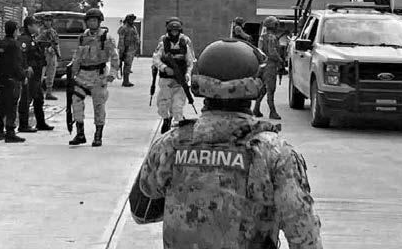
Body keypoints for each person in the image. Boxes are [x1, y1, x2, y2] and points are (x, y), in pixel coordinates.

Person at [129, 38, 323, 249]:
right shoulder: (275, 153)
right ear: (255, 87)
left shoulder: (170, 144)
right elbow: (304, 235)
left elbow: (141, 210)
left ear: (200, 84)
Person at [69, 8, 120, 147]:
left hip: (98, 75)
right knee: (76, 102)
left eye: (94, 20)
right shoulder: (82, 38)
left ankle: (98, 136)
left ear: (99, 22)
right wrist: (73, 72)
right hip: (82, 75)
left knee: (98, 106)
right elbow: (77, 56)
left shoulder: (106, 38)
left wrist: (112, 73)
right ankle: (80, 134)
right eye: (90, 20)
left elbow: (115, 57)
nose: (92, 23)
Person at [152, 17, 196, 134]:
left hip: (180, 81)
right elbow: (155, 59)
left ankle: (177, 127)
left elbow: (190, 62)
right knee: (163, 104)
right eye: (172, 31)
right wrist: (164, 68)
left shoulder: (185, 44)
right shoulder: (163, 43)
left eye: (176, 31)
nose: (174, 33)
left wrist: (187, 75)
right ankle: (166, 119)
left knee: (177, 106)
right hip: (165, 80)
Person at [17, 17, 55, 133]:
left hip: (37, 74)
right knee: (26, 98)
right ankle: (23, 125)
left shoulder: (32, 38)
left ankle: (41, 123)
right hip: (30, 74)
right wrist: (26, 67)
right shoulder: (24, 39)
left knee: (39, 98)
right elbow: (21, 55)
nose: (38, 27)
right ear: (29, 26)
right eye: (35, 25)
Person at [0, 20, 27, 143]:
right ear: (14, 31)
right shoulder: (14, 45)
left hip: (2, 79)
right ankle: (10, 133)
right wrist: (23, 76)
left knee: (1, 106)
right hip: (12, 80)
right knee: (11, 107)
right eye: (17, 30)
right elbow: (16, 64)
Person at [253, 15, 283, 120]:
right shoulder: (272, 37)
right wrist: (280, 60)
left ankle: (256, 109)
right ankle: (272, 111)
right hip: (270, 66)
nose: (277, 26)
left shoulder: (262, 37)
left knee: (263, 89)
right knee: (271, 89)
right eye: (276, 24)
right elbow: (272, 52)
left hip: (262, 65)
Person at [37, 13, 61, 100]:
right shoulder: (39, 31)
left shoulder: (53, 31)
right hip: (42, 55)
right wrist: (44, 34)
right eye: (46, 20)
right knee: (40, 75)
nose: (48, 22)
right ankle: (37, 93)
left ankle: (49, 93)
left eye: (49, 20)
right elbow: (36, 41)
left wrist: (59, 55)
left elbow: (56, 43)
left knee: (51, 74)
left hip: (52, 55)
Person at [118, 13, 140, 87]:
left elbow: (136, 37)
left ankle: (126, 80)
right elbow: (121, 41)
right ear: (127, 20)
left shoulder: (133, 27)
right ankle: (125, 81)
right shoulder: (123, 28)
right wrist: (121, 51)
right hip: (126, 49)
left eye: (133, 19)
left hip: (132, 49)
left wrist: (137, 49)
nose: (132, 21)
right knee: (127, 65)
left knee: (129, 65)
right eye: (131, 19)